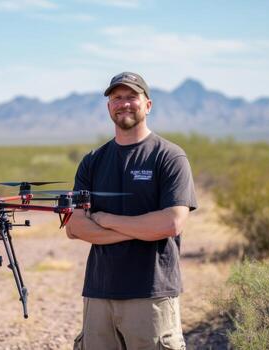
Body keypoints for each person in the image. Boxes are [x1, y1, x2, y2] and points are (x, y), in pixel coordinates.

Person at [66, 72, 197, 350]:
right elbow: (75, 227)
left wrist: (105, 220)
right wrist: (141, 230)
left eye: (131, 97)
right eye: (117, 98)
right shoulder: (93, 161)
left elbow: (172, 223)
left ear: (147, 105)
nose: (124, 103)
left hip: (151, 294)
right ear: (109, 107)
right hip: (99, 294)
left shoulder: (169, 157)